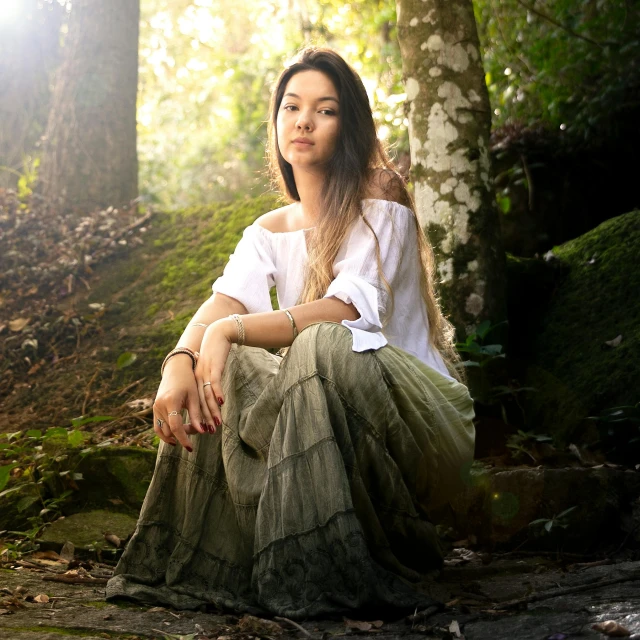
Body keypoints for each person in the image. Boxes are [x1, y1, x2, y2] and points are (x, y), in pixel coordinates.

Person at [106, 46, 475, 620]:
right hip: (329, 409)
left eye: (325, 110)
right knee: (219, 364)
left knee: (318, 344)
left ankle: (338, 564)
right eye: (292, 106)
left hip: (418, 420)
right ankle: (229, 562)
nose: (303, 120)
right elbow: (223, 301)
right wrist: (179, 360)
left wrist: (229, 331)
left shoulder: (381, 197)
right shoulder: (268, 230)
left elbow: (346, 312)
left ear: (348, 125)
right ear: (276, 121)